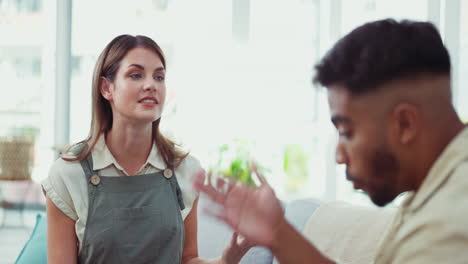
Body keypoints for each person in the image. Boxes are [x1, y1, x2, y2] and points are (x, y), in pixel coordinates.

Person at [194, 19, 468, 263]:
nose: (339, 155)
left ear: (405, 124)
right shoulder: (438, 189)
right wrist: (279, 234)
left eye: (347, 132)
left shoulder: (448, 224)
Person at [42, 34, 252, 264]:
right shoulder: (68, 174)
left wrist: (224, 261)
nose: (151, 85)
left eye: (159, 77)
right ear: (106, 88)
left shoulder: (186, 169)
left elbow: (187, 259)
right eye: (135, 75)